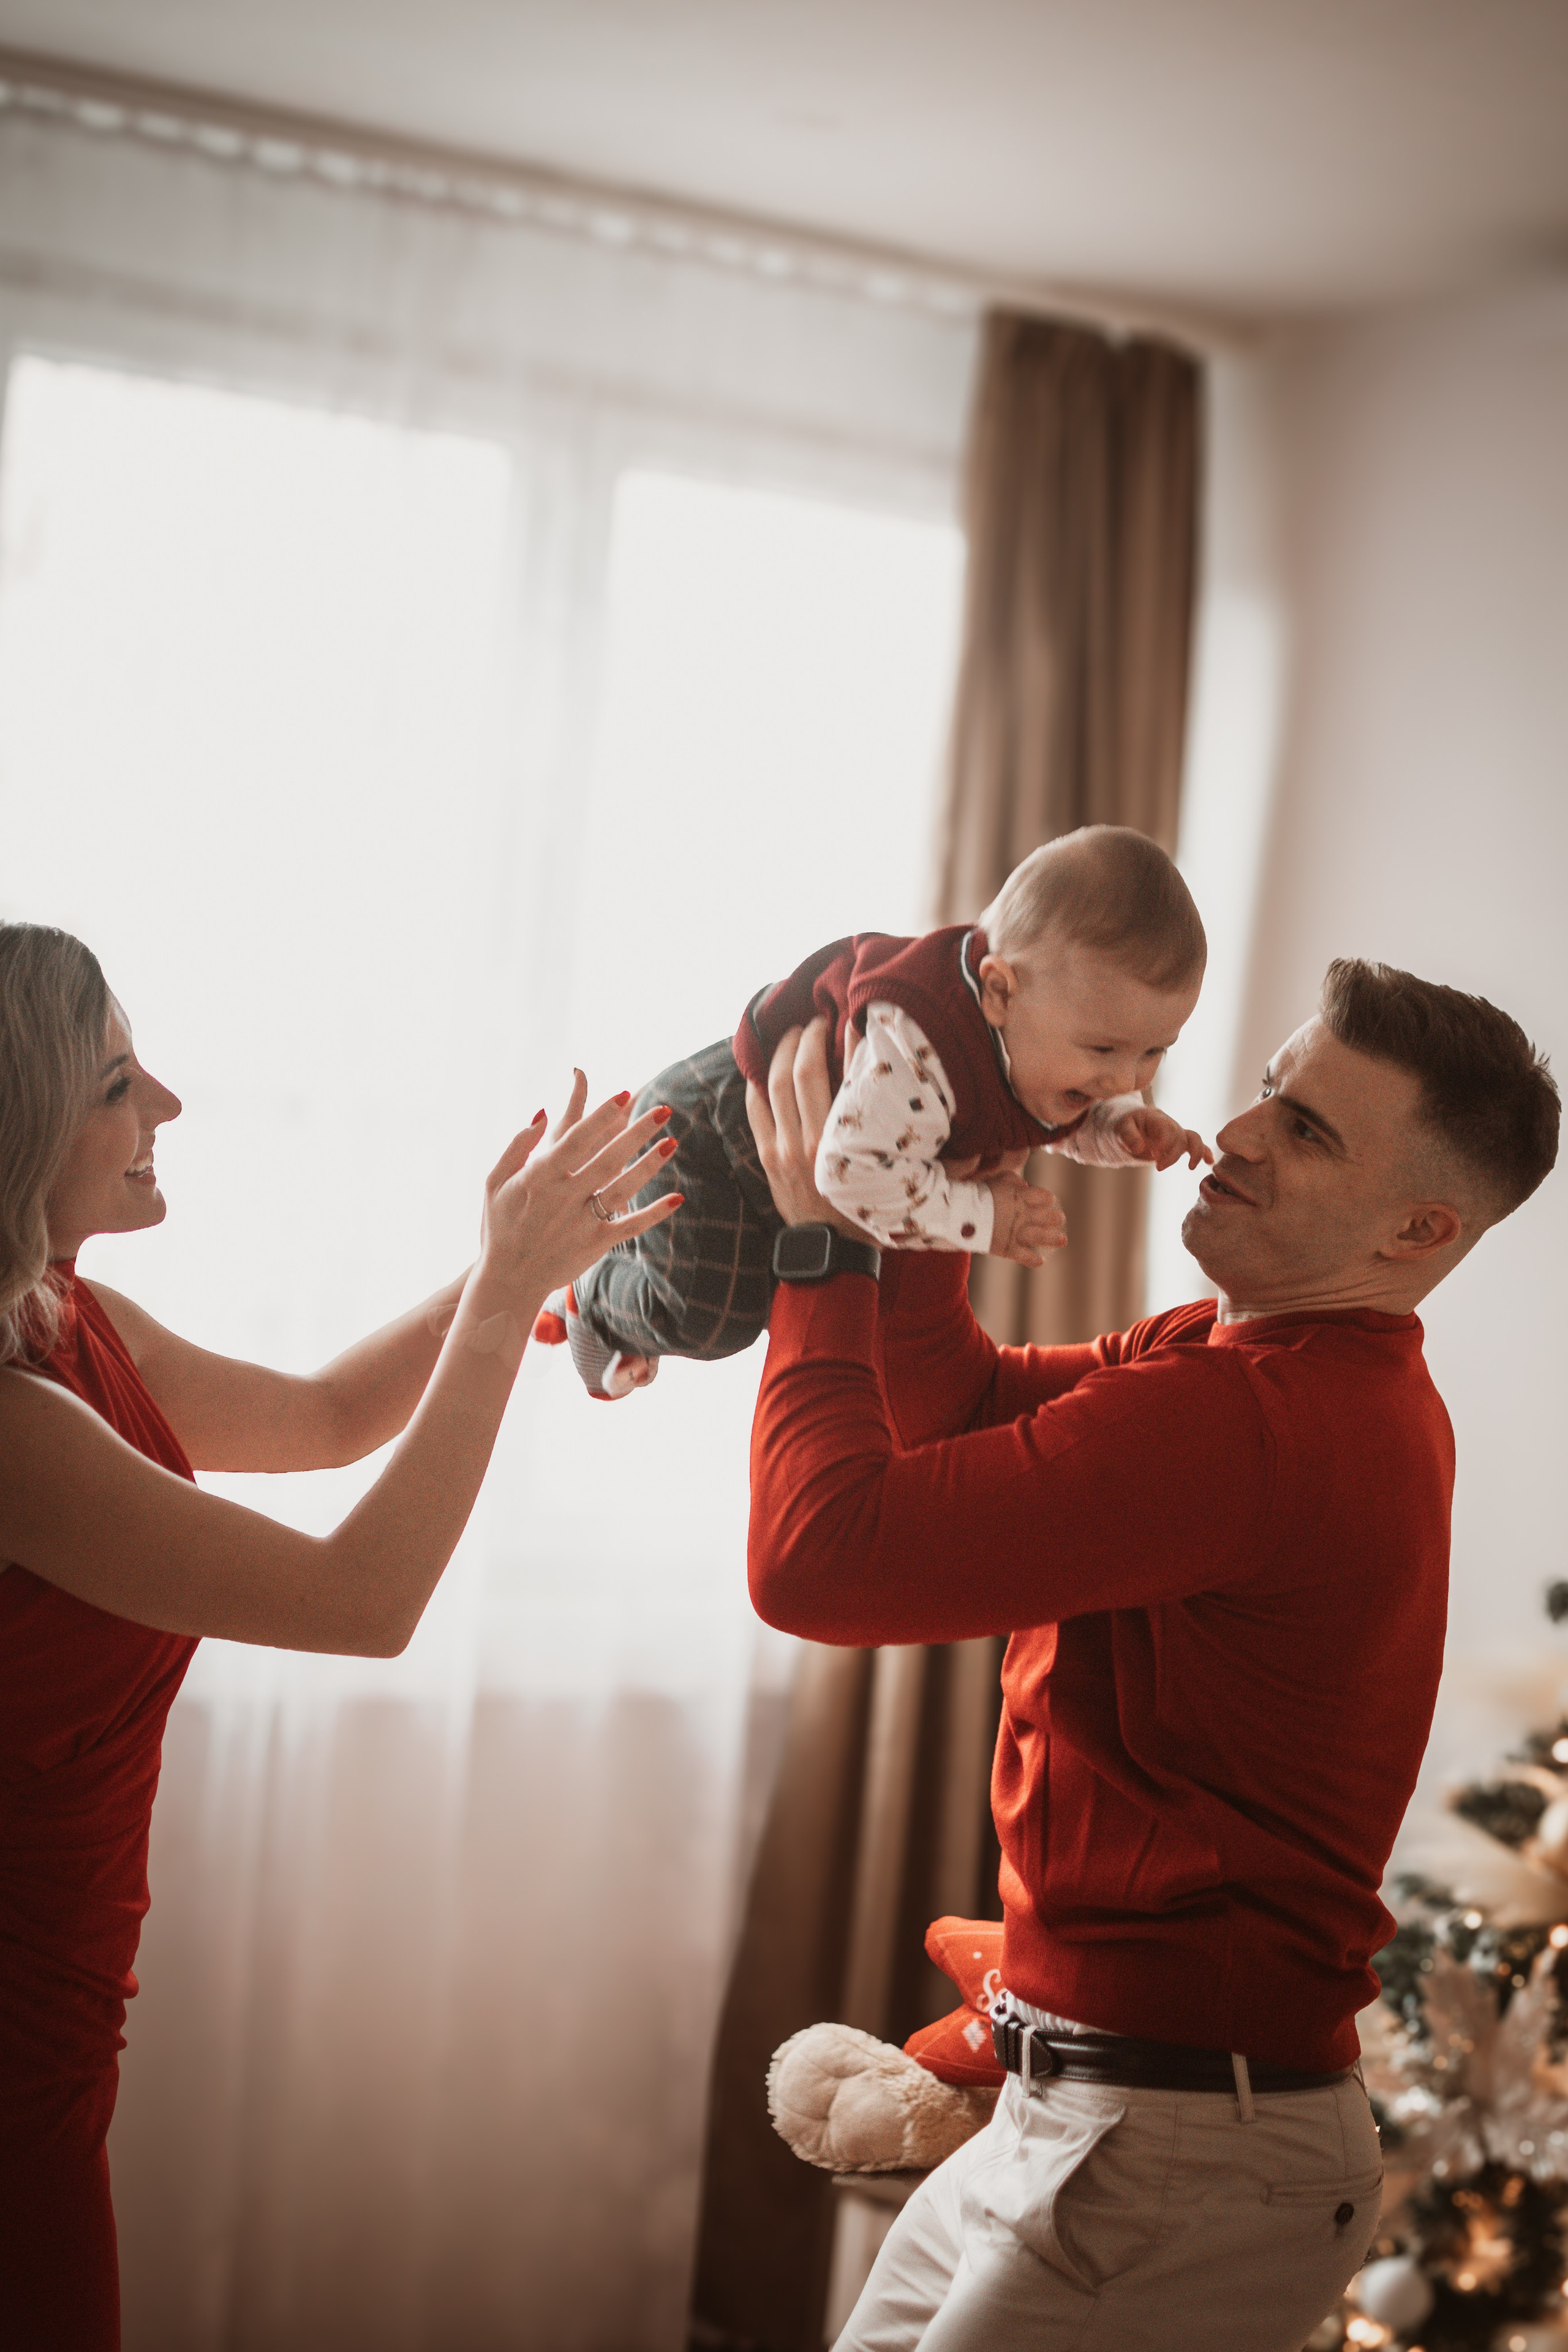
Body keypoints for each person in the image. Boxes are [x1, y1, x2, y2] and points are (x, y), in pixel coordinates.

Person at [742, 959, 1559, 2352]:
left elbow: (815, 1560)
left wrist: (820, 1247)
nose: (1233, 1132)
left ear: (1417, 1227)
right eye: (1268, 1092)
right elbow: (956, 1406)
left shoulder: (1255, 1423)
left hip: (1176, 2155)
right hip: (1091, 2110)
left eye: (1305, 1130)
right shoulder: (1238, 1360)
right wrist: (912, 1187)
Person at [0, 920, 680, 2352]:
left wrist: (518, 1262)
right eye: (117, 1083)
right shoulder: (14, 1432)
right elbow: (362, 1600)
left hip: (60, 2016)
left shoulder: (69, 1317)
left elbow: (323, 1416)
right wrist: (502, 1296)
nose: (167, 1103)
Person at [535, 826, 1212, 1399]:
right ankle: (588, 1299)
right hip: (708, 1136)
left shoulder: (1029, 1032)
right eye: (1103, 1049)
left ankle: (614, 1245)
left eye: (1155, 1050)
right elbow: (850, 1175)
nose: (1128, 1077)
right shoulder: (919, 1048)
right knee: (712, 1316)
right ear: (999, 992)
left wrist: (1115, 1126)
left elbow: (1049, 1110)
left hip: (767, 1158)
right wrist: (986, 1217)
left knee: (759, 1289)